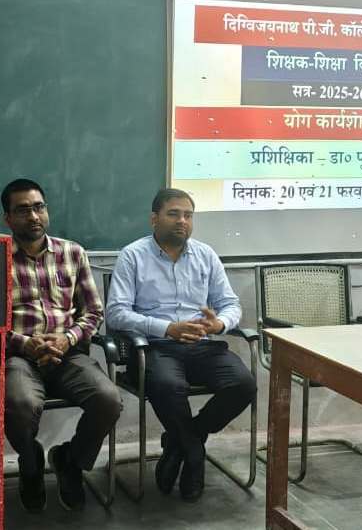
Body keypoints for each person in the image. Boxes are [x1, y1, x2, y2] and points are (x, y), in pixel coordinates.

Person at [106, 188, 256, 502]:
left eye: (188, 215)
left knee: (243, 384)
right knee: (168, 386)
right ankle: (195, 457)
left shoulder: (205, 254)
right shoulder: (133, 255)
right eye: (173, 214)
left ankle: (183, 442)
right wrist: (167, 328)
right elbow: (117, 313)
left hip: (201, 344)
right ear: (154, 218)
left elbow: (230, 304)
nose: (182, 221)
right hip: (154, 347)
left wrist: (219, 324)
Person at [1, 179, 120, 512]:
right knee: (19, 404)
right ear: (7, 219)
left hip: (68, 353)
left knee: (108, 400)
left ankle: (71, 460)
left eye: (39, 207)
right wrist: (28, 344)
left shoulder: (73, 252)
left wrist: (66, 339)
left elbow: (93, 311)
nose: (33, 216)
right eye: (23, 210)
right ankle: (30, 462)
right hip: (20, 357)